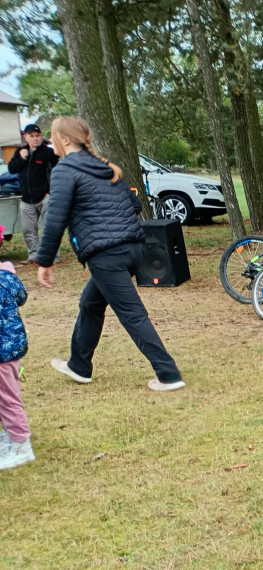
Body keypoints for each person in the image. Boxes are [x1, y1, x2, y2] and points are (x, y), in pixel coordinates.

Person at [33, 116, 185, 392]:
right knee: (90, 303)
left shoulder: (65, 170)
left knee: (133, 315)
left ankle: (168, 374)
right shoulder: (107, 168)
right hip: (132, 250)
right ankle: (79, 366)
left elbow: (55, 219)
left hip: (107, 255)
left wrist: (45, 261)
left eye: (52, 135)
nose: (49, 141)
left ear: (65, 139)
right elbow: (135, 204)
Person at [7, 123, 60, 266]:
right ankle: (34, 256)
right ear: (25, 137)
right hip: (26, 198)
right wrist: (22, 158)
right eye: (32, 136)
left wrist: (51, 191)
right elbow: (11, 169)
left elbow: (57, 172)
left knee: (50, 228)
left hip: (44, 196)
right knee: (28, 230)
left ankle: (53, 256)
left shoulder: (48, 152)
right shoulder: (20, 151)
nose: (36, 139)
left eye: (38, 136)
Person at [0, 259, 33, 470]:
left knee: (7, 398)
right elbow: (21, 297)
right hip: (11, 349)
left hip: (3, 352)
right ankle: (12, 436)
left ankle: (21, 444)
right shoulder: (7, 278)